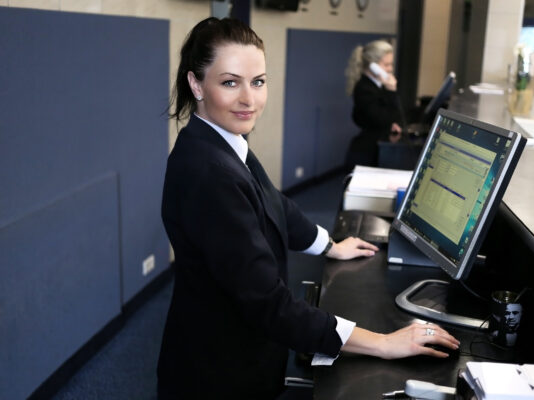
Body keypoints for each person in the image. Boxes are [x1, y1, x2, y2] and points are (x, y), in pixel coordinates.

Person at [158, 17, 459, 399]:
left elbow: (273, 202)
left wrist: (330, 245)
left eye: (259, 82)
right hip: (217, 372)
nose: (249, 99)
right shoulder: (210, 172)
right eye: (230, 82)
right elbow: (268, 302)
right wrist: (382, 342)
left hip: (228, 346)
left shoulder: (219, 141)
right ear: (196, 84)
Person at [344, 40, 404, 167]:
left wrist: (393, 123)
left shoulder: (379, 85)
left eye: (391, 64)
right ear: (372, 65)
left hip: (378, 150)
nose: (390, 69)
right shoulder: (364, 88)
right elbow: (383, 120)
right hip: (366, 155)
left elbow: (395, 117)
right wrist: (391, 91)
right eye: (386, 65)